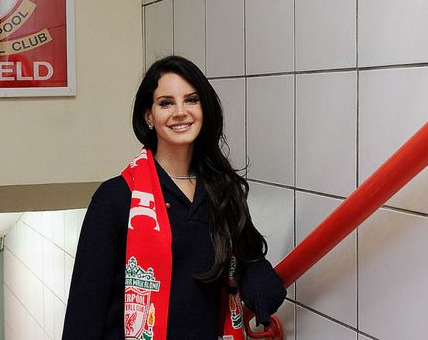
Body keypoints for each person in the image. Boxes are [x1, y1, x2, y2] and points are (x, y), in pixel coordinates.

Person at [63, 56, 286, 339]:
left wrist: (260, 282)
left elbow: (247, 255)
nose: (180, 112)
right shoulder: (116, 199)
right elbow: (85, 311)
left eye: (191, 100)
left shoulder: (222, 189)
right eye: (166, 103)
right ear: (149, 116)